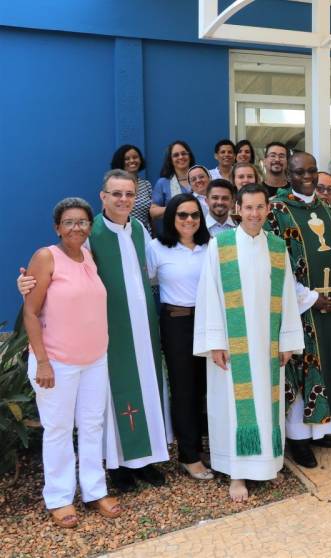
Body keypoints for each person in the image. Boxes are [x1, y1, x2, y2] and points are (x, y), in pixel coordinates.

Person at [194, 183, 304, 502]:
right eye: (249, 207)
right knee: (232, 406)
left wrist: (287, 341)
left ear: (268, 209)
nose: (254, 213)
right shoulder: (221, 245)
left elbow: (286, 296)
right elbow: (209, 295)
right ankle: (237, 474)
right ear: (237, 210)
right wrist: (215, 341)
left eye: (260, 207)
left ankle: (267, 464)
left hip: (268, 343)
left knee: (268, 405)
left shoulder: (277, 246)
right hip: (233, 345)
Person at [22, 197, 119, 528]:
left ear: (89, 226)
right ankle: (60, 498)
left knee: (92, 426)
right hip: (57, 361)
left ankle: (94, 491)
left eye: (82, 222)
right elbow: (30, 312)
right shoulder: (46, 257)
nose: (76, 227)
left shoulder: (88, 257)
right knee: (59, 429)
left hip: (93, 359)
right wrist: (43, 361)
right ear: (57, 227)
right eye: (69, 222)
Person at [266, 152, 331, 468]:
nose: (307, 176)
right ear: (288, 175)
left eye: (311, 171)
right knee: (303, 370)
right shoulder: (277, 212)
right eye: (299, 172)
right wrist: (311, 298)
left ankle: (323, 428)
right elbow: (278, 266)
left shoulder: (326, 208)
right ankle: (299, 438)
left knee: (330, 362)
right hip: (299, 309)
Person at [90, 170, 172, 490]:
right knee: (116, 394)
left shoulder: (139, 227)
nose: (124, 200)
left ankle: (148, 458)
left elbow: (155, 268)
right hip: (112, 328)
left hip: (144, 325)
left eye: (129, 194)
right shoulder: (92, 233)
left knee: (150, 386)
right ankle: (120, 465)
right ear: (103, 196)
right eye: (117, 194)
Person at [148, 194, 214, 480]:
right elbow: (146, 281)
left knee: (208, 387)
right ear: (172, 217)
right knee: (184, 389)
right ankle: (189, 455)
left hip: (210, 322)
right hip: (177, 324)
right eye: (182, 215)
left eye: (195, 215)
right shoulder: (157, 248)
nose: (189, 220)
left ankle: (205, 445)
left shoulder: (211, 247)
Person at [151, 140, 195, 231]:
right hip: (173, 234)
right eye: (176, 155)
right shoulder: (163, 183)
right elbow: (153, 212)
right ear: (170, 160)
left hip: (200, 233)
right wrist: (175, 208)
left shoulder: (200, 179)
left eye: (184, 153)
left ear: (189, 156)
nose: (181, 157)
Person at [110, 144, 153, 235]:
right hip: (121, 234)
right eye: (127, 159)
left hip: (144, 235)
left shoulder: (146, 185)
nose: (132, 161)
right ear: (120, 161)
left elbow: (150, 216)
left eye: (135, 157)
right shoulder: (114, 184)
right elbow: (107, 212)